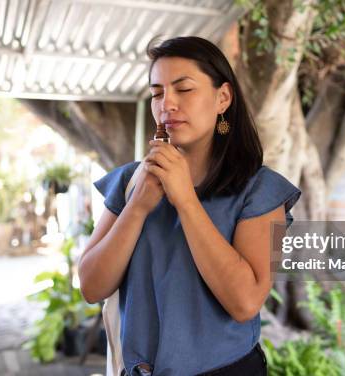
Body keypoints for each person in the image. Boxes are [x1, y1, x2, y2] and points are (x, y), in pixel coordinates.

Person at [78, 36, 301, 376]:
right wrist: (137, 207)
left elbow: (245, 302)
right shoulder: (129, 183)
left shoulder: (259, 190)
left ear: (222, 97)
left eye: (184, 89)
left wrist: (185, 200)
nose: (166, 104)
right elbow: (91, 287)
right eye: (156, 93)